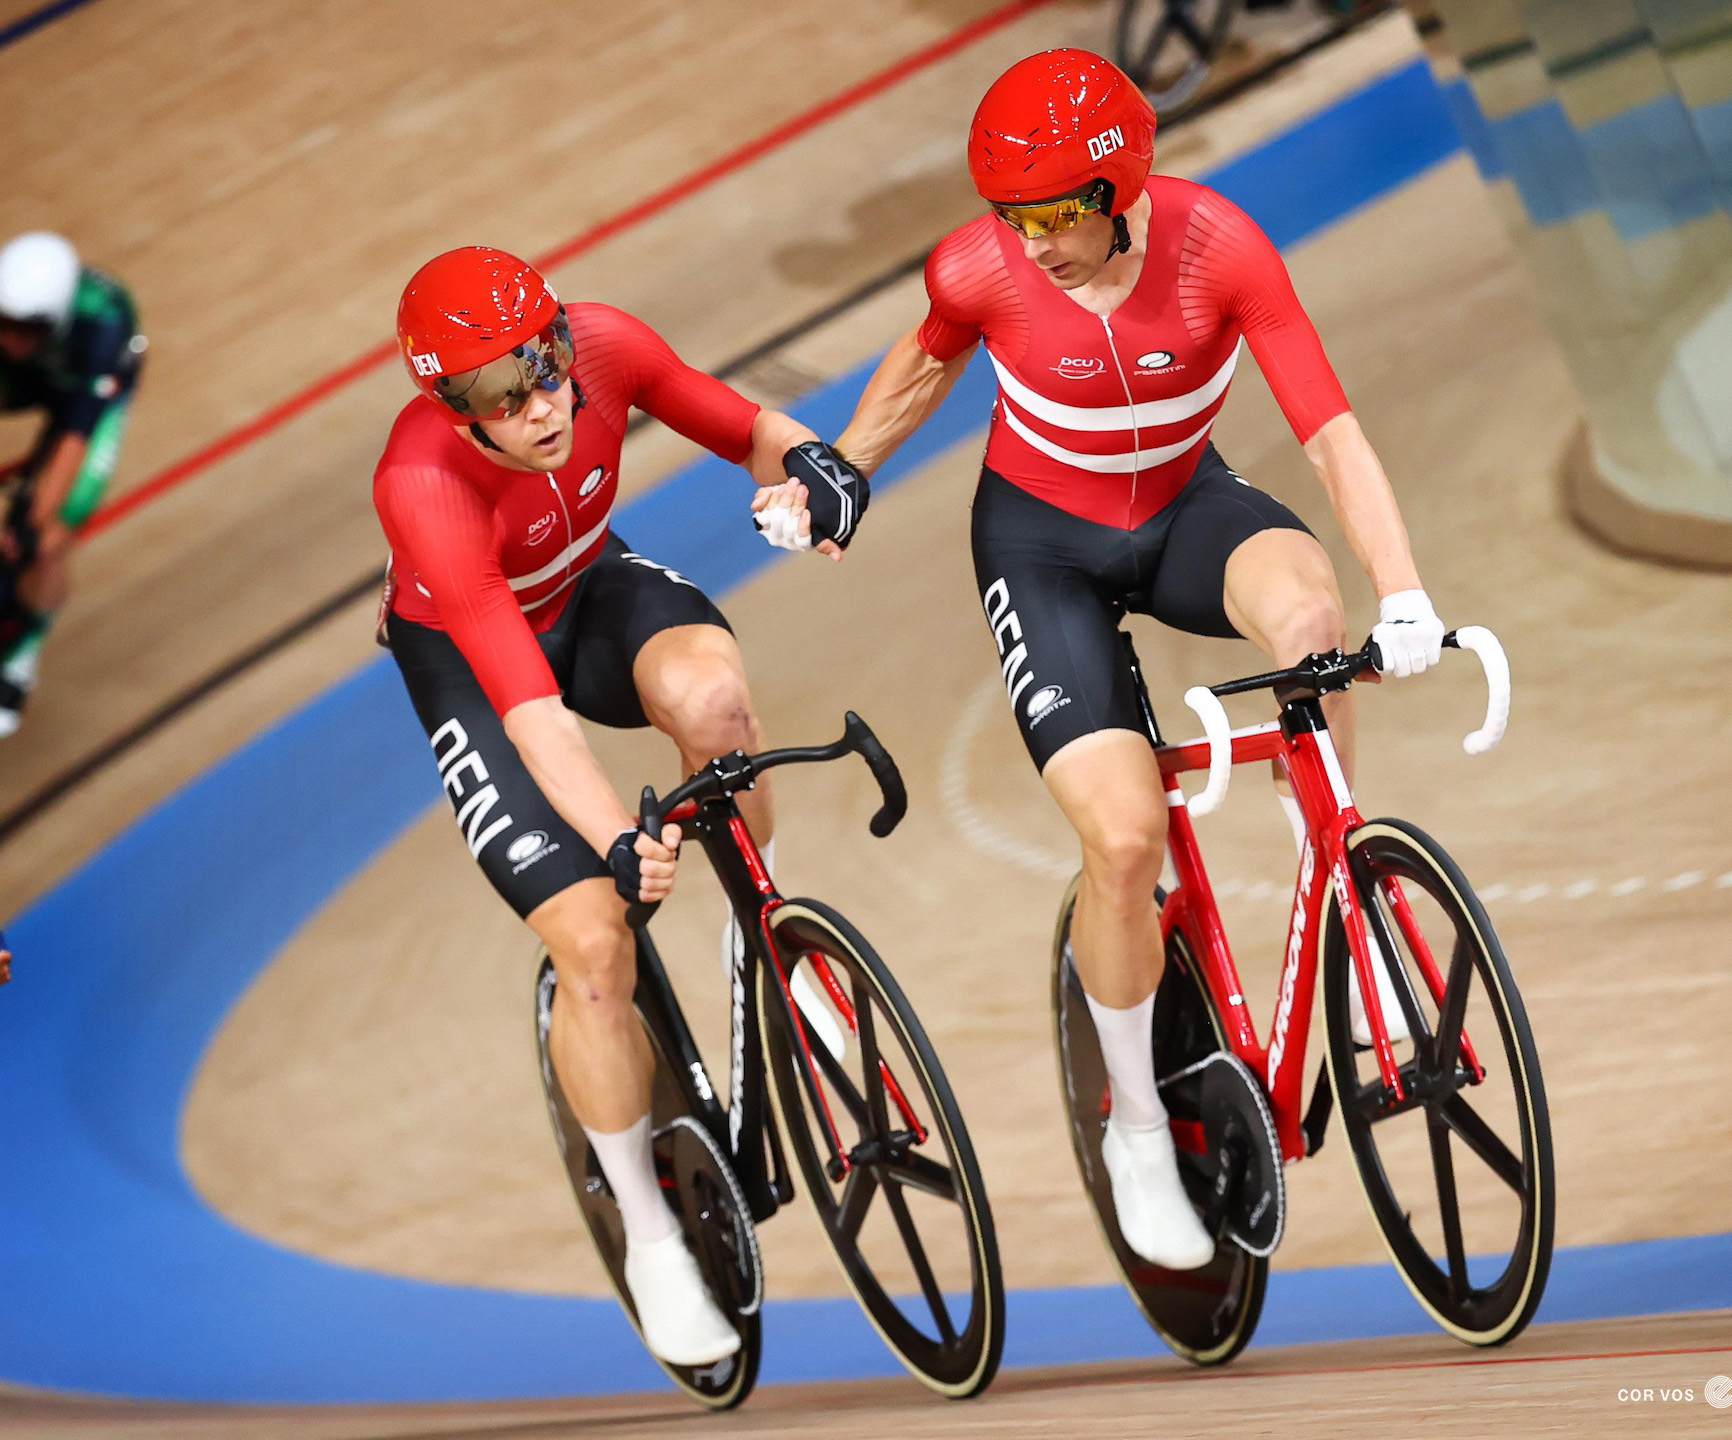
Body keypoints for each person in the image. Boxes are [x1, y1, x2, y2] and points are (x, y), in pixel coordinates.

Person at [756, 50, 1437, 1272]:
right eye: (1014, 216)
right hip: (1042, 546)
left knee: (1309, 613)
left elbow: (1329, 434)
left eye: (1059, 213)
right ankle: (1133, 1121)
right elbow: (922, 364)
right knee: (1124, 838)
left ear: (1122, 188)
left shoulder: (1219, 249)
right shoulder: (980, 267)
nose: (1036, 242)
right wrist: (843, 467)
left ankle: (1341, 881)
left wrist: (1409, 595)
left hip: (1185, 508)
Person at [375, 246, 859, 1366]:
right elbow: (537, 717)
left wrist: (818, 464)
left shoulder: (605, 343)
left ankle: (775, 943)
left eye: (543, 366)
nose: (542, 404)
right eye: (503, 395)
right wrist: (616, 837)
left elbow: (748, 427)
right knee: (596, 943)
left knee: (719, 702)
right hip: (476, 663)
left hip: (586, 586)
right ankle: (648, 1234)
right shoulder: (424, 487)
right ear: (456, 412)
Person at [0, 232, 145, 736]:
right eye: (4, 324)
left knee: (48, 536)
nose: (11, 339)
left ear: (55, 321)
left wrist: (30, 522)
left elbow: (73, 437)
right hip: (35, 375)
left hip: (90, 393)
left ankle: (21, 653)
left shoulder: (102, 325)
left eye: (27, 328)